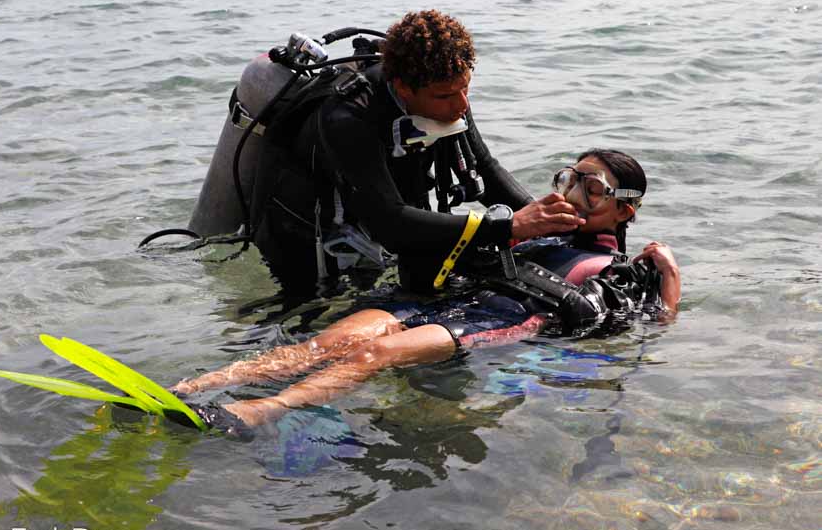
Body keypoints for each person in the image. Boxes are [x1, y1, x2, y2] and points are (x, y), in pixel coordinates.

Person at [173, 150, 681, 437]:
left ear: (624, 211)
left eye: (591, 190)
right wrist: (513, 230)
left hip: (492, 321)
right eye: (570, 179)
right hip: (442, 301)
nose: (572, 194)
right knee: (324, 346)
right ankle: (193, 388)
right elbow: (449, 250)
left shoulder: (617, 269)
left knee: (377, 352)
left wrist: (670, 278)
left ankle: (262, 411)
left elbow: (652, 326)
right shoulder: (532, 227)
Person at [246, 9, 586, 293]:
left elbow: (483, 167)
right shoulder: (348, 116)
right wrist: (508, 227)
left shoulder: (447, 89)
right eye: (445, 96)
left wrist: (551, 222)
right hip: (303, 238)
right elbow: (391, 225)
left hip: (377, 218)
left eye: (465, 88)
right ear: (404, 88)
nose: (461, 104)